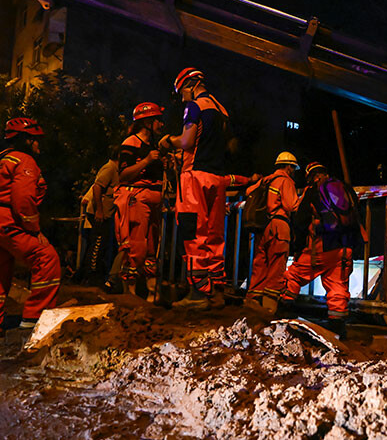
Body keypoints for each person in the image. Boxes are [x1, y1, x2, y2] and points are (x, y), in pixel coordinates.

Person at [160, 67, 255, 308]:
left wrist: (169, 141)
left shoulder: (194, 107)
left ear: (190, 84)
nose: (182, 96)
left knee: (193, 233)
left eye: (182, 91)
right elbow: (228, 145)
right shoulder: (221, 110)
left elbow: (187, 141)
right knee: (215, 235)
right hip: (217, 178)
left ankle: (197, 294)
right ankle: (216, 293)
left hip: (194, 177)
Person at [0, 118, 61, 342]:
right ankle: (35, 318)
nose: (39, 145)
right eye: (36, 140)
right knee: (46, 257)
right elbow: (23, 198)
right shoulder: (25, 160)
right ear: (27, 140)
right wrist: (33, 229)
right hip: (6, 219)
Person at [277, 162, 363, 338]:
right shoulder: (345, 188)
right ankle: (337, 326)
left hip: (321, 247)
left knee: (294, 275)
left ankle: (283, 312)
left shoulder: (312, 191)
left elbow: (300, 221)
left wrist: (298, 248)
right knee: (338, 285)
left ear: (311, 176)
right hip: (344, 247)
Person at [116, 102, 165, 300]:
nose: (161, 124)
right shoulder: (131, 143)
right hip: (137, 198)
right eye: (158, 119)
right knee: (136, 246)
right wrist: (146, 161)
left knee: (153, 247)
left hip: (153, 198)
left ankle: (151, 296)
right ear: (147, 121)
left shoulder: (154, 145)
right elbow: (123, 175)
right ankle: (130, 295)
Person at [245, 151, 300, 310]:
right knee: (276, 267)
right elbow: (292, 205)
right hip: (279, 227)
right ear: (289, 167)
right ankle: (269, 309)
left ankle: (252, 303)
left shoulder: (266, 180)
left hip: (262, 227)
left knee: (260, 264)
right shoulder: (285, 181)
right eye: (293, 168)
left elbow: (249, 192)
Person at [79, 148, 120, 287]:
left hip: (106, 213)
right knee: (97, 244)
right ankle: (91, 277)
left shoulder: (114, 169)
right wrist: (99, 211)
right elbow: (97, 187)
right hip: (100, 213)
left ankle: (90, 275)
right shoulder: (110, 168)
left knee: (100, 244)